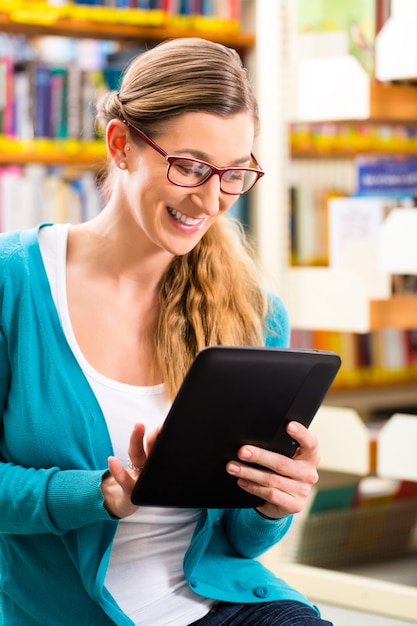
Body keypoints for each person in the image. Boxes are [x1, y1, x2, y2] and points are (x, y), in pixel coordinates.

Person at [0, 37, 332, 626]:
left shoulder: (255, 313)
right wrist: (99, 493)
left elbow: (241, 540)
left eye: (233, 174)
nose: (210, 200)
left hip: (224, 603)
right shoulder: (14, 286)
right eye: (190, 167)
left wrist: (271, 500)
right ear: (122, 144)